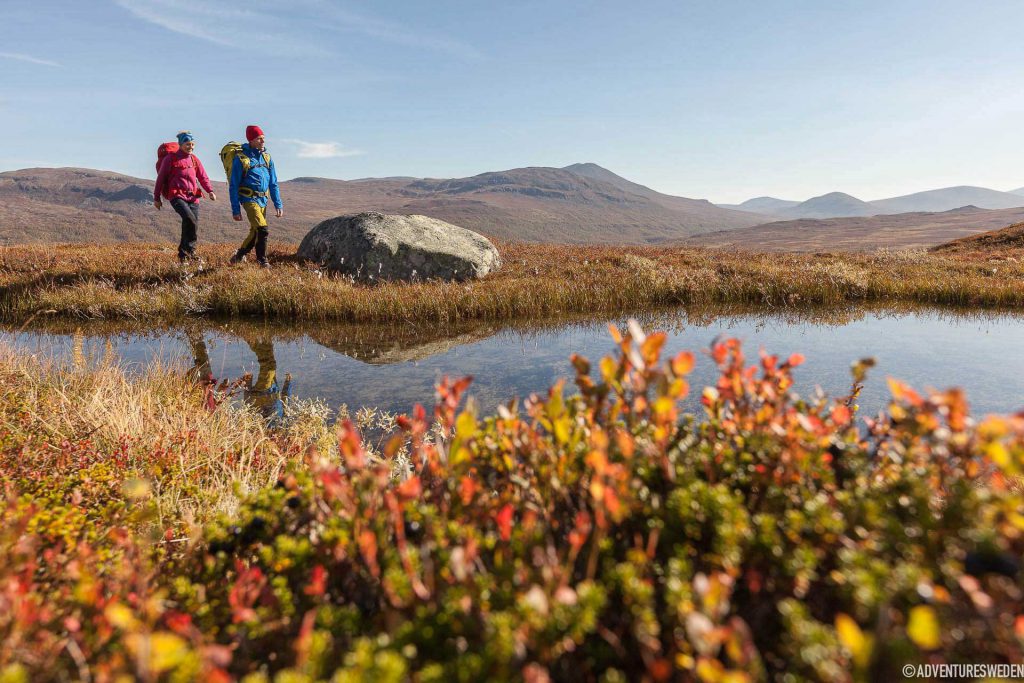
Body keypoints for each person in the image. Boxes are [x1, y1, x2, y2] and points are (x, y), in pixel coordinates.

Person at [154, 131, 216, 262]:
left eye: (193, 144)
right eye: (188, 144)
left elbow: (203, 176)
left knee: (191, 224)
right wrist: (156, 198)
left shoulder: (194, 159)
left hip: (193, 197)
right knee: (190, 219)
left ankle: (185, 254)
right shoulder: (170, 159)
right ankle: (189, 251)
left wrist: (210, 190)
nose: (191, 147)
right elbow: (160, 179)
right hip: (176, 196)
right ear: (180, 144)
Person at [229, 125, 283, 268]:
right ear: (251, 140)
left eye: (263, 138)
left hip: (263, 200)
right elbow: (233, 185)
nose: (262, 141)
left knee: (255, 232)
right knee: (262, 229)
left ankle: (239, 256)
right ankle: (262, 261)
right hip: (249, 200)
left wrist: (278, 204)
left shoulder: (267, 158)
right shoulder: (241, 159)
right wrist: (236, 209)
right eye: (259, 138)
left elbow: (273, 183)